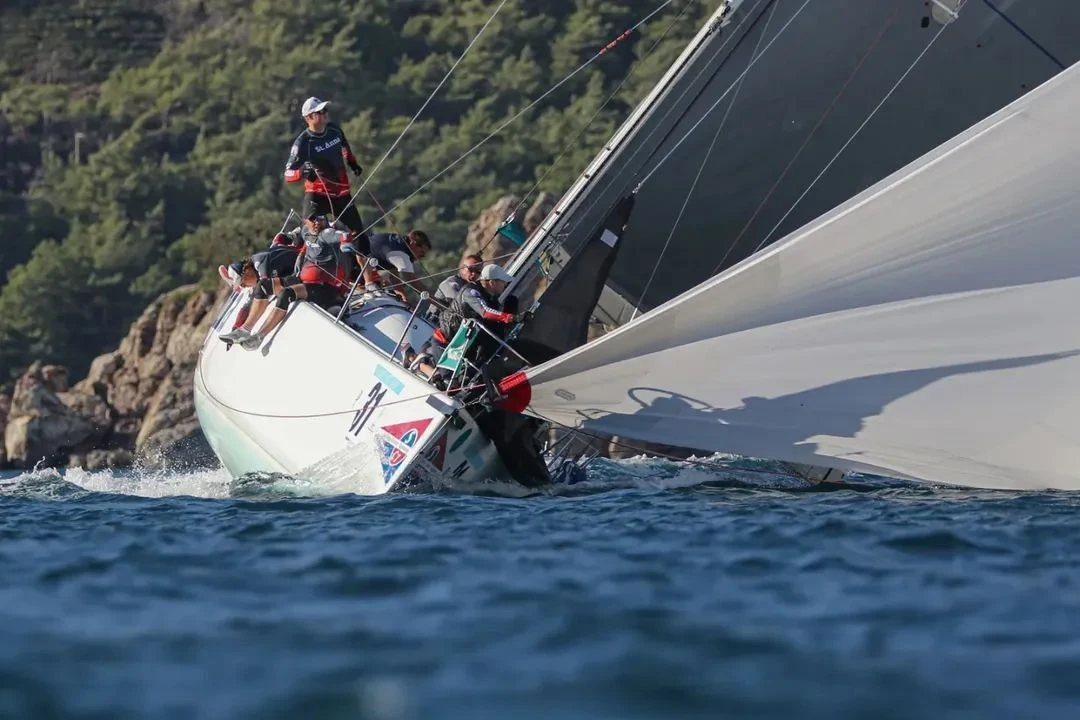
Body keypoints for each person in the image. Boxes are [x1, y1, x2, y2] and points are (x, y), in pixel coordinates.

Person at [220, 213, 358, 350]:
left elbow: (342, 235)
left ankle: (259, 337)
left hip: (323, 286)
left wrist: (345, 241)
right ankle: (244, 330)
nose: (314, 223)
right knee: (262, 286)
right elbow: (285, 237)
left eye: (318, 220)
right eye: (311, 220)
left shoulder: (325, 234)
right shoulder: (306, 231)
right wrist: (289, 237)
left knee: (286, 294)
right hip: (302, 278)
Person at [283, 96, 370, 252]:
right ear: (309, 117)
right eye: (320, 112)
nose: (325, 114)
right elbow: (288, 174)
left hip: (342, 192)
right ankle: (295, 242)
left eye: (325, 110)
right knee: (311, 228)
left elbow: (344, 146)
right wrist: (302, 172)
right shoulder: (303, 142)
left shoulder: (334, 129)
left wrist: (352, 162)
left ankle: (366, 268)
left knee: (361, 238)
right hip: (317, 193)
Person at [367, 230, 433, 300]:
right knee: (382, 279)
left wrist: (404, 298)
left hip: (366, 261)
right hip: (361, 266)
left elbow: (395, 279)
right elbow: (410, 279)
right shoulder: (401, 254)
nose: (421, 257)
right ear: (413, 243)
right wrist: (434, 300)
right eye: (421, 253)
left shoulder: (396, 241)